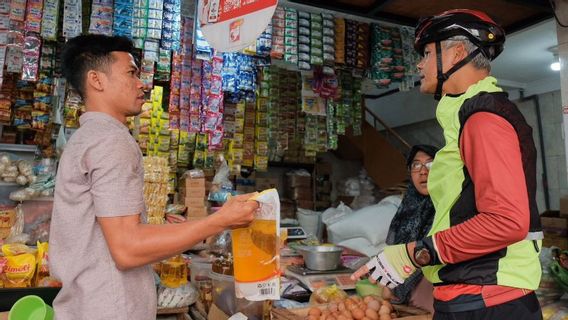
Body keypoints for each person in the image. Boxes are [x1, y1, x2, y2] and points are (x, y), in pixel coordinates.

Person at [49, 34, 259, 320]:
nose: (142, 84)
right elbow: (128, 249)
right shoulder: (111, 141)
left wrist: (176, 230)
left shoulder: (86, 138)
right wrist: (219, 220)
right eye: (131, 73)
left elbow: (116, 236)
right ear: (97, 80)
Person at [351, 9, 543, 320]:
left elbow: (506, 220)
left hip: (489, 301)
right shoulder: (467, 117)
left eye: (426, 53)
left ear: (455, 54)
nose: (419, 64)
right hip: (474, 297)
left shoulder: (484, 119)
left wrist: (414, 253)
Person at [384, 145, 438, 313]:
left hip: (436, 287)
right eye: (416, 165)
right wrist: (388, 280)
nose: (423, 171)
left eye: (430, 164)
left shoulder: (450, 206)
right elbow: (395, 250)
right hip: (406, 288)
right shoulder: (407, 209)